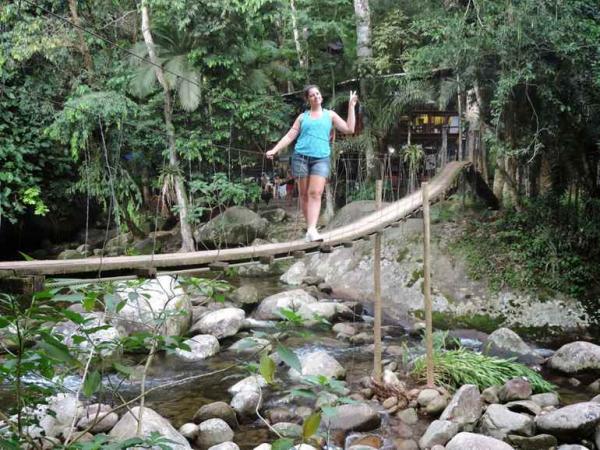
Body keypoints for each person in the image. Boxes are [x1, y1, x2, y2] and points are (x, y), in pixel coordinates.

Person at [266, 85, 358, 241]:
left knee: (315, 193)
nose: (316, 96)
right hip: (301, 157)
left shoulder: (330, 115)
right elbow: (289, 136)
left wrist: (351, 107)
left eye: (318, 93)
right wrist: (274, 150)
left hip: (321, 159)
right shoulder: (303, 117)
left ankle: (312, 229)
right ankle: (310, 229)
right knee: (303, 195)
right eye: (312, 95)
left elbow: (349, 129)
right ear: (308, 99)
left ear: (321, 96)